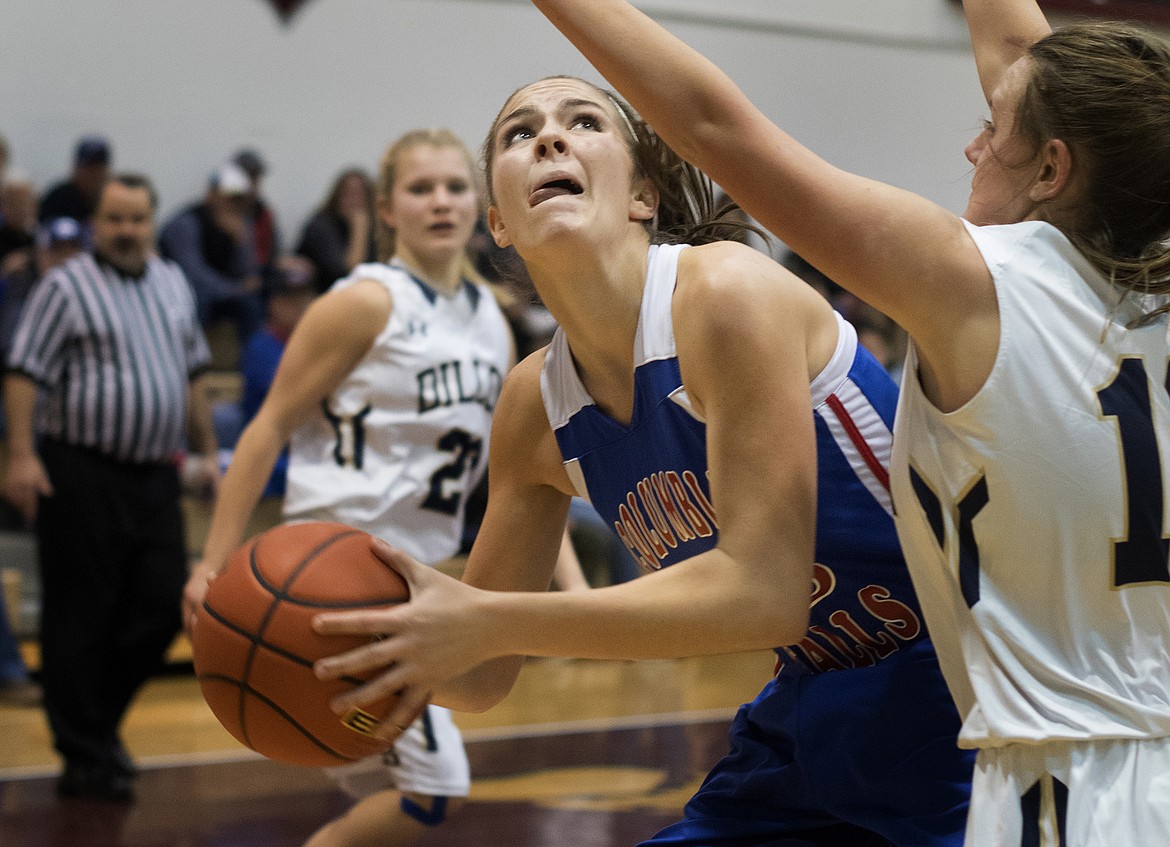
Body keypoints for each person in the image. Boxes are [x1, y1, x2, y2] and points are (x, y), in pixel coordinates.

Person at [525, 0, 1170, 844]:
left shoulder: (979, 281)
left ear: (1051, 170)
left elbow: (719, 129)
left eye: (991, 126)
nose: (971, 146)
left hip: (1068, 786)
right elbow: (1046, 74)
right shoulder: (1144, 281)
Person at [312, 77, 974, 846]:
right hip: (819, 700)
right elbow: (482, 677)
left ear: (643, 197)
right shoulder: (534, 404)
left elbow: (765, 594)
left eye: (583, 121)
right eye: (519, 134)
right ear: (497, 222)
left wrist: (485, 618)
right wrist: (358, 653)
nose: (550, 138)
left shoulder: (724, 292)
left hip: (967, 683)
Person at [183, 128, 584, 847]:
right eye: (420, 188)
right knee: (433, 789)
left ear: (484, 205)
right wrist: (211, 562)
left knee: (405, 789)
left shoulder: (490, 320)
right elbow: (266, 427)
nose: (441, 202)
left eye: (456, 186)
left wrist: (574, 585)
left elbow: (521, 474)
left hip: (414, 585)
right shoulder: (364, 302)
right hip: (330, 578)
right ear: (387, 209)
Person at [2, 173, 218, 801]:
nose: (127, 232)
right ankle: (82, 753)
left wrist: (208, 454)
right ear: (96, 225)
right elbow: (22, 373)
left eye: (137, 219)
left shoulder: (172, 283)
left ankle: (95, 728)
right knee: (79, 618)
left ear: (153, 223)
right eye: (115, 220)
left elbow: (196, 374)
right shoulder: (65, 287)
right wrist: (20, 456)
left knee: (159, 608)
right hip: (81, 470)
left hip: (156, 473)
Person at [158, 162, 265, 345]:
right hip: (182, 293)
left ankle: (253, 362)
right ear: (211, 194)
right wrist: (235, 289)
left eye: (238, 198)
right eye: (228, 197)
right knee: (200, 299)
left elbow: (247, 274)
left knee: (252, 304)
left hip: (223, 293)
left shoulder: (240, 224)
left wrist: (241, 243)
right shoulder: (186, 223)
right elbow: (193, 273)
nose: (233, 204)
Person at [295, 167, 377, 295]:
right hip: (320, 299)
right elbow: (348, 275)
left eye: (360, 195)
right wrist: (359, 228)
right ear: (337, 196)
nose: (354, 202)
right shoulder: (321, 226)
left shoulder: (376, 228)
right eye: (348, 195)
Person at [37, 135, 111, 238]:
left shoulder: (112, 198)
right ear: (75, 167)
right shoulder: (57, 198)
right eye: (88, 168)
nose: (93, 174)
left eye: (98, 168)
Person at [232, 149, 281, 281]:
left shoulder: (263, 212)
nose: (251, 184)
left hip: (263, 277)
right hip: (235, 282)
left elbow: (273, 253)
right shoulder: (218, 215)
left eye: (255, 177)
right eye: (247, 177)